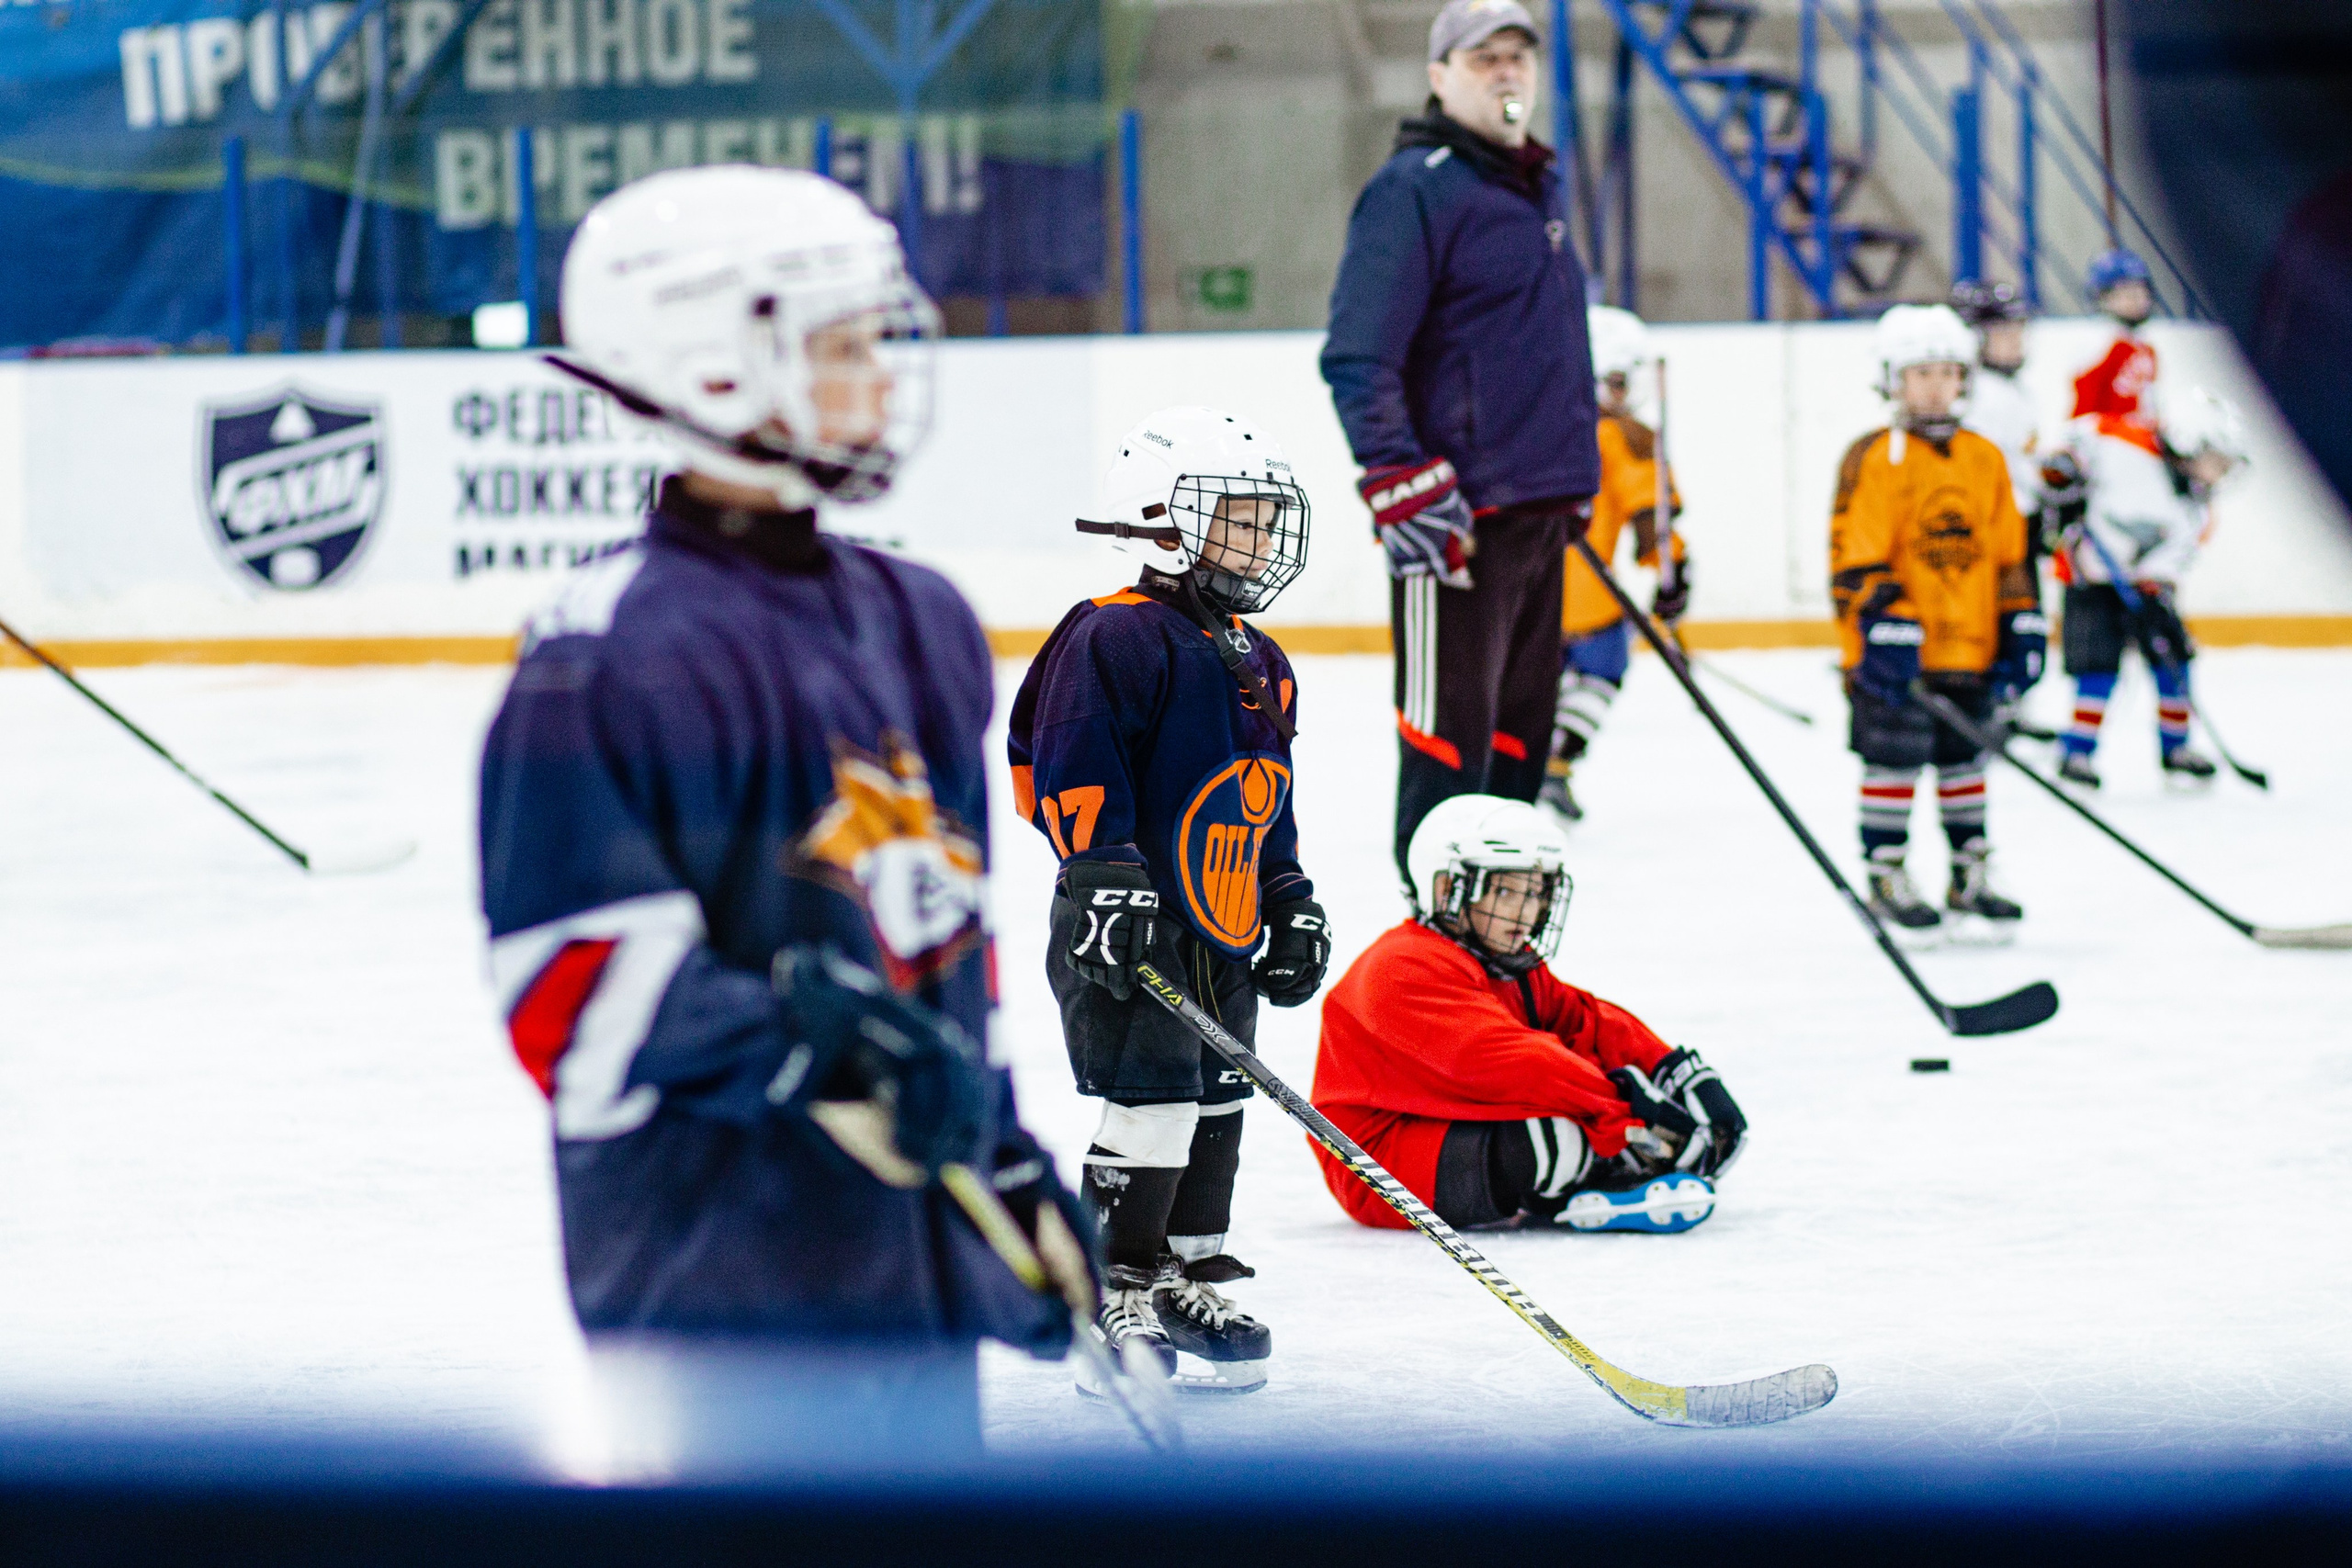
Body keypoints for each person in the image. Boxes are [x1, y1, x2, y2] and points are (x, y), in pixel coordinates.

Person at [475, 166, 1089, 1459]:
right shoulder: (605, 655)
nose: (881, 373)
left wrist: (1000, 1148)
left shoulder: (923, 620)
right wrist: (823, 1044)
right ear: (709, 371)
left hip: (905, 1282)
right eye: (842, 343)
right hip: (718, 1297)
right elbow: (567, 1000)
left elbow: (938, 944)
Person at [1007, 407, 1331, 1394]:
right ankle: (1115, 1289)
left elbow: (1262, 800)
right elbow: (1056, 763)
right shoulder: (1112, 635)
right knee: (1149, 1105)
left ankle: (1191, 1270)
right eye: (1240, 518)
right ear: (1161, 521)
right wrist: (1100, 870)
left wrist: (1288, 895)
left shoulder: (1259, 658)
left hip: (1222, 924)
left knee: (1218, 1101)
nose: (1262, 540)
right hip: (1131, 921)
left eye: (1266, 521)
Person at [1320, 0, 1600, 884]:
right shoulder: (1415, 188)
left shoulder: (1531, 185)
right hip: (1458, 527)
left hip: (1538, 514)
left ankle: (1501, 933)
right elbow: (1358, 355)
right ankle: (1431, 943)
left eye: (1519, 56)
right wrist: (1400, 477)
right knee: (1450, 744)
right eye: (1485, 59)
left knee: (1520, 744)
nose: (1508, 71)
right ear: (1441, 77)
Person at [1311, 795, 1741, 1234]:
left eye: (1536, 892)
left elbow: (1584, 1022)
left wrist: (1673, 1071)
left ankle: (1608, 1174)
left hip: (1437, 1126)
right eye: (1504, 891)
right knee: (1556, 1137)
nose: (1526, 911)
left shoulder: (1505, 962)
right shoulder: (1404, 965)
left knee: (1571, 1114)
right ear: (1447, 890)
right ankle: (1610, 1175)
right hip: (1376, 1166)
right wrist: (1630, 1119)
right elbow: (1512, 1063)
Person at [1829, 304, 2043, 945]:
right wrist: (1885, 623)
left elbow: (2009, 554)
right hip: (1891, 654)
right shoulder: (1873, 456)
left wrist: (2022, 621)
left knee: (1965, 761)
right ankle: (1886, 870)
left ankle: (1968, 872)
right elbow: (1852, 552)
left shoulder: (1985, 457)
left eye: (1947, 372)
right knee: (1893, 760)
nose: (1934, 386)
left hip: (1969, 647)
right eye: (1919, 373)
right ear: (1891, 380)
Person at [2041, 387, 2249, 789]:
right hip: (2091, 581)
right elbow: (2077, 441)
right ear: (2190, 444)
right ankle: (2077, 752)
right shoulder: (2124, 442)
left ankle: (2176, 748)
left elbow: (2178, 554)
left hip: (2150, 590)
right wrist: (2062, 472)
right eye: (2216, 463)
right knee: (2097, 670)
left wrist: (2156, 584)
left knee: (2175, 662)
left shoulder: (2197, 507)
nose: (2218, 475)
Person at [1543, 305, 1688, 823]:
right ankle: (1556, 765)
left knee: (1540, 688)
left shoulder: (1540, 423)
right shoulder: (1626, 435)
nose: (1626, 394)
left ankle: (1531, 767)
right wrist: (1674, 576)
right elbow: (1655, 516)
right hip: (1586, 596)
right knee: (1604, 669)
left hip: (1527, 591)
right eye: (1619, 381)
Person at [1951, 279, 2045, 549]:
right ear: (1975, 338)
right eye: (2003, 331)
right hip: (1996, 529)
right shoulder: (1978, 397)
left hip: (2020, 522)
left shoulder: (2013, 389)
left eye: (2019, 329)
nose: (2016, 339)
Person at [2071, 248, 2162, 432]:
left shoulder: (2143, 346)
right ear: (2103, 298)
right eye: (2126, 292)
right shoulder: (2099, 342)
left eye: (2140, 290)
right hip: (2108, 445)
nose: (2136, 299)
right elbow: (2083, 408)